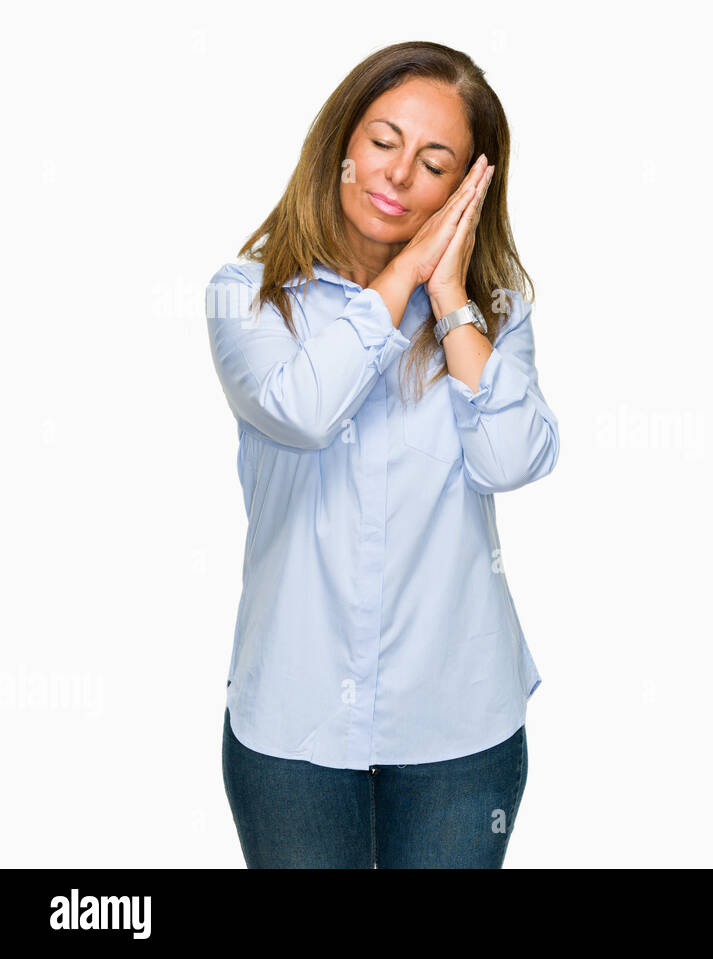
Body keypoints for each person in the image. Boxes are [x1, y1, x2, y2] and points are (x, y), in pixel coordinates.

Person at [204, 40, 559, 868]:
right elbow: (302, 409)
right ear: (342, 147)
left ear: (469, 186)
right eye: (383, 140)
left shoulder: (494, 311)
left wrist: (450, 300)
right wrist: (401, 276)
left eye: (435, 161)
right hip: (294, 721)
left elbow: (514, 457)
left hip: (458, 722)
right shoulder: (249, 296)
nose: (399, 174)